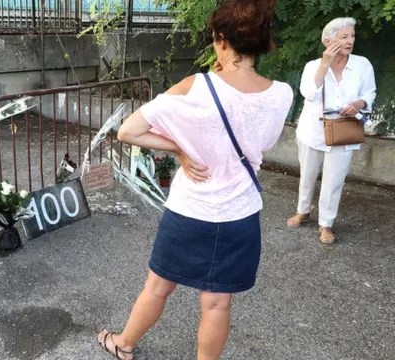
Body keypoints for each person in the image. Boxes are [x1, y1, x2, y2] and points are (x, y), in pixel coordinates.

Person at [96, 1, 294, 359]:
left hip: (189, 210)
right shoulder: (281, 94)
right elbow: (262, 144)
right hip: (240, 213)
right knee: (218, 304)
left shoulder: (196, 86)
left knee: (157, 287)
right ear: (263, 42)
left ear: (220, 39)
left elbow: (128, 131)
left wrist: (181, 149)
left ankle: (123, 345)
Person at [286, 17, 376, 245]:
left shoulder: (362, 64)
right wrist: (324, 65)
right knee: (307, 174)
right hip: (313, 129)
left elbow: (370, 93)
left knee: (334, 180)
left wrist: (358, 105)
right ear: (328, 40)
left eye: (352, 36)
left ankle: (326, 223)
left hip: (344, 130)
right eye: (344, 36)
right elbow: (308, 92)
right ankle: (303, 211)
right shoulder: (312, 66)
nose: (350, 41)